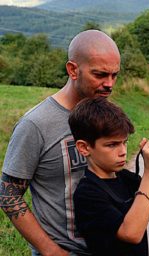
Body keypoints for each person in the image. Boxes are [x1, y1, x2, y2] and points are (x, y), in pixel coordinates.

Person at [0, 30, 121, 256]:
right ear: (73, 70)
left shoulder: (107, 116)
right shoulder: (36, 124)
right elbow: (8, 195)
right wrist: (51, 251)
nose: (109, 84)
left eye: (115, 75)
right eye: (100, 75)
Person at [69, 97, 149, 256]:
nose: (123, 151)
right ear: (84, 148)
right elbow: (132, 234)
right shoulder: (87, 193)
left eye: (124, 142)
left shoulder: (126, 178)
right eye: (112, 145)